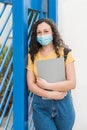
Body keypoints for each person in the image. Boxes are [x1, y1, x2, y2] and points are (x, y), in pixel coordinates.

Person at [27, 18, 76, 130]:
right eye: (39, 32)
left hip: (63, 105)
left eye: (46, 31)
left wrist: (47, 86)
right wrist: (51, 94)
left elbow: (72, 83)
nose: (42, 35)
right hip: (41, 106)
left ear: (53, 33)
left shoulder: (65, 53)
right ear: (35, 35)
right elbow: (31, 84)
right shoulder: (33, 55)